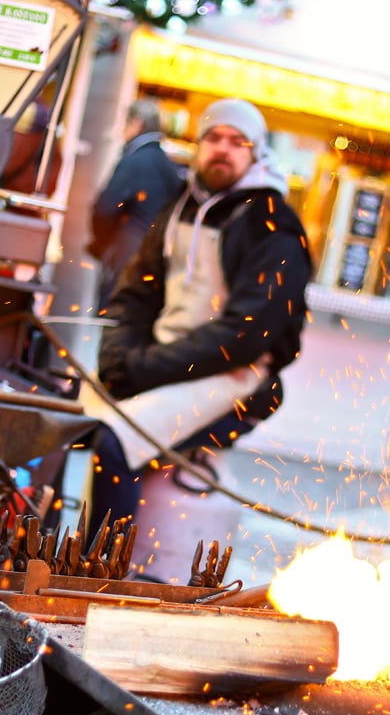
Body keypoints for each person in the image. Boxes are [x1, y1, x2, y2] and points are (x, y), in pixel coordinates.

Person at [90, 98, 310, 525]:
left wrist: (143, 369)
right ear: (197, 144)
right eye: (213, 137)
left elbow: (247, 334)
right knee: (66, 424)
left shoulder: (272, 225)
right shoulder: (180, 205)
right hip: (162, 360)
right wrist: (116, 356)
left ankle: (99, 576)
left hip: (235, 375)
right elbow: (136, 292)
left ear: (256, 152)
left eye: (237, 141)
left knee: (115, 443)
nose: (223, 149)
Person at [86, 97, 183, 308]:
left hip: (124, 255)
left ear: (136, 123)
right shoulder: (168, 166)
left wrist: (101, 244)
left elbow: (106, 207)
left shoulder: (134, 160)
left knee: (111, 318)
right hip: (155, 262)